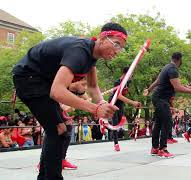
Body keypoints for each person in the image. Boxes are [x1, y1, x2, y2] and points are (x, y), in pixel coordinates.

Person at [12, 22, 127, 180]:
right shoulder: (79, 51)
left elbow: (93, 87)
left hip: (43, 81)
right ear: (102, 38)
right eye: (116, 44)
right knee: (58, 128)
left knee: (61, 128)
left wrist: (101, 103)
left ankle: (45, 176)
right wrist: (94, 109)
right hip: (28, 78)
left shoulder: (91, 57)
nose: (117, 51)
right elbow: (57, 91)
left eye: (121, 48)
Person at [143, 52, 191, 158]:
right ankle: (163, 149)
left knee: (158, 123)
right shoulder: (173, 69)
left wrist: (149, 90)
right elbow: (178, 88)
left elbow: (157, 81)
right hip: (161, 99)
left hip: (157, 97)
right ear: (180, 60)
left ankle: (155, 148)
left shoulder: (166, 67)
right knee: (167, 122)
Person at [109, 67, 141, 151]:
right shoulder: (117, 82)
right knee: (115, 123)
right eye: (131, 74)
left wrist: (135, 102)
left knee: (120, 121)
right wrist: (132, 102)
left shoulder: (128, 82)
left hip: (120, 104)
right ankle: (116, 143)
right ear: (125, 74)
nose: (131, 76)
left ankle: (107, 123)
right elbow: (118, 95)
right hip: (113, 102)